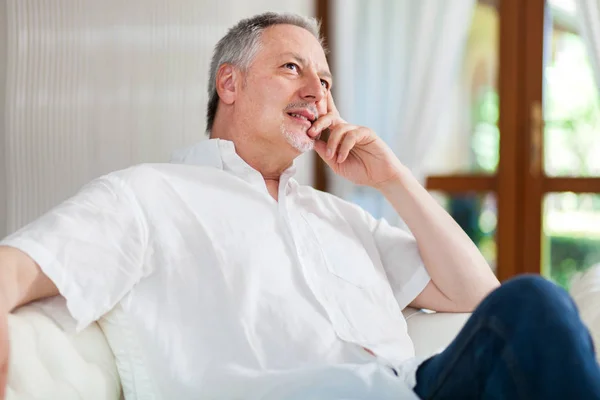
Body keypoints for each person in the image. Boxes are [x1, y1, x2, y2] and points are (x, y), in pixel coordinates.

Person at [0, 11, 598, 400]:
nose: (318, 92)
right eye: (292, 69)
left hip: (418, 389)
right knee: (539, 304)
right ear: (228, 85)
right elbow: (19, 265)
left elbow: (478, 298)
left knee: (537, 309)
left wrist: (393, 180)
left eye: (327, 80)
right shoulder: (147, 195)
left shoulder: (338, 217)